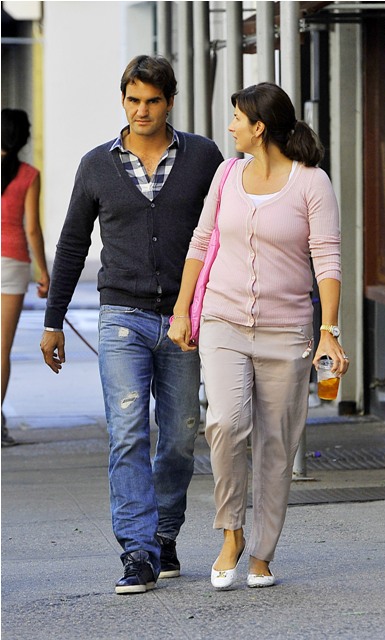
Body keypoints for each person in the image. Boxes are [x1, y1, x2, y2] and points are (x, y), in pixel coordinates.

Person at [40, 55, 223, 594]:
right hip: (121, 315)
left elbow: (224, 232)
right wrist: (54, 321)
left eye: (152, 101)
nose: (141, 111)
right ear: (123, 100)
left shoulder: (203, 157)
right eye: (132, 100)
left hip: (184, 320)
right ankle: (137, 551)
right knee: (127, 433)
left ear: (170, 102)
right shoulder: (97, 164)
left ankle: (165, 534)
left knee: (180, 437)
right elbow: (73, 243)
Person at [168, 82, 349, 589]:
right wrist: (182, 310)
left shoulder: (311, 183)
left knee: (277, 444)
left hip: (286, 329)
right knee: (224, 424)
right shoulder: (227, 174)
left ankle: (262, 552)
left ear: (259, 126)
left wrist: (329, 332)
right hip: (224, 322)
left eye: (236, 119)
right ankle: (231, 530)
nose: (230, 127)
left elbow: (327, 260)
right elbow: (201, 242)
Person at [1, 108, 50, 447]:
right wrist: (43, 273)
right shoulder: (29, 175)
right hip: (13, 263)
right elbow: (31, 229)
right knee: (1, 350)